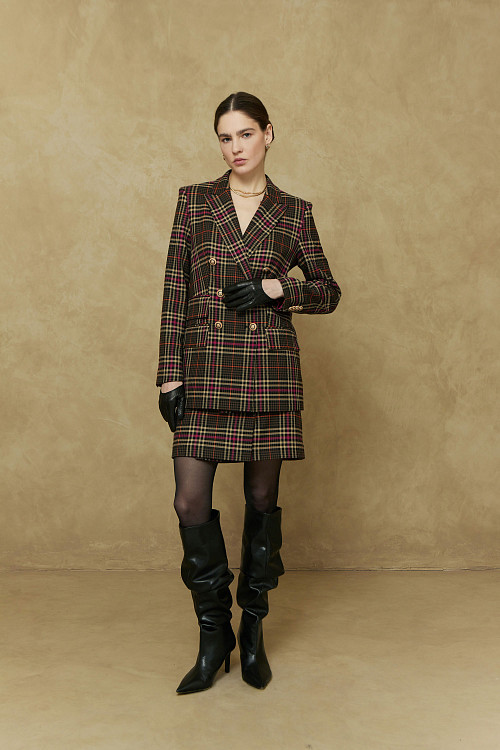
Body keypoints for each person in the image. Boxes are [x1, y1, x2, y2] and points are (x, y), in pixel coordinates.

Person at [156, 91, 341, 694]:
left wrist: (279, 289)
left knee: (262, 500)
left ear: (268, 134)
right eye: (224, 137)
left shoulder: (294, 212)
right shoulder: (195, 201)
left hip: (267, 374)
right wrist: (169, 374)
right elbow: (175, 290)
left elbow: (328, 291)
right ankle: (214, 635)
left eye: (245, 134)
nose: (235, 147)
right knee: (190, 501)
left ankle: (253, 627)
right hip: (205, 369)